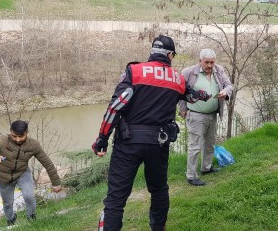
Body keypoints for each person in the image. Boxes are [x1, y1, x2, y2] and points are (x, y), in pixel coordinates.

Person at [91, 35, 211, 231]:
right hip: (159, 143)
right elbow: (191, 96)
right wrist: (204, 95)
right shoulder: (177, 78)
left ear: (152, 52)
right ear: (170, 55)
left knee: (116, 198)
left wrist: (102, 139)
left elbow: (115, 107)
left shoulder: (134, 71)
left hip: (128, 143)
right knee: (159, 190)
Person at [178, 48, 233, 186]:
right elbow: (179, 91)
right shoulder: (189, 72)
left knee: (209, 143)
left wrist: (225, 92)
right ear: (200, 61)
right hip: (195, 115)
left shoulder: (218, 70)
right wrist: (183, 109)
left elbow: (229, 85)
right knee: (194, 146)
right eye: (206, 62)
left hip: (212, 114)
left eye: (212, 62)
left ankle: (206, 168)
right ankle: (191, 175)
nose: (209, 65)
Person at [0, 120, 62, 227]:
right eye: (14, 136)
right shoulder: (2, 141)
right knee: (7, 203)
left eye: (21, 136)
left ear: (27, 132)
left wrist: (56, 182)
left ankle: (31, 217)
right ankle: (11, 219)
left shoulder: (34, 145)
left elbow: (47, 163)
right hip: (4, 176)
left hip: (22, 173)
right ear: (10, 132)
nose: (18, 139)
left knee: (29, 196)